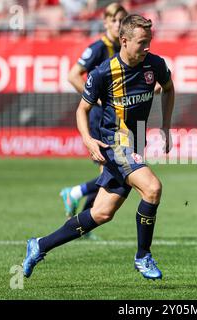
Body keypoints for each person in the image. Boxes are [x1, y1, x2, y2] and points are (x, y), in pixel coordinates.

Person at [23, 14, 175, 280]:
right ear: (124, 41)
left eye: (149, 41)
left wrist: (166, 126)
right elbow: (82, 110)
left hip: (136, 143)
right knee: (152, 189)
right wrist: (87, 139)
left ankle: (40, 245)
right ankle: (143, 256)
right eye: (142, 42)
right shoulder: (104, 72)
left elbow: (169, 88)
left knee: (102, 213)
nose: (147, 47)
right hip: (114, 143)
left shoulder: (155, 64)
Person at [60, 2, 127, 228]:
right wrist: (98, 99)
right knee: (110, 170)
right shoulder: (99, 47)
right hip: (99, 117)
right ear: (106, 22)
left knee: (110, 171)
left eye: (122, 21)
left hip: (113, 119)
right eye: (115, 20)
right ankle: (75, 192)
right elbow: (73, 75)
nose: (119, 25)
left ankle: (84, 223)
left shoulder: (122, 48)